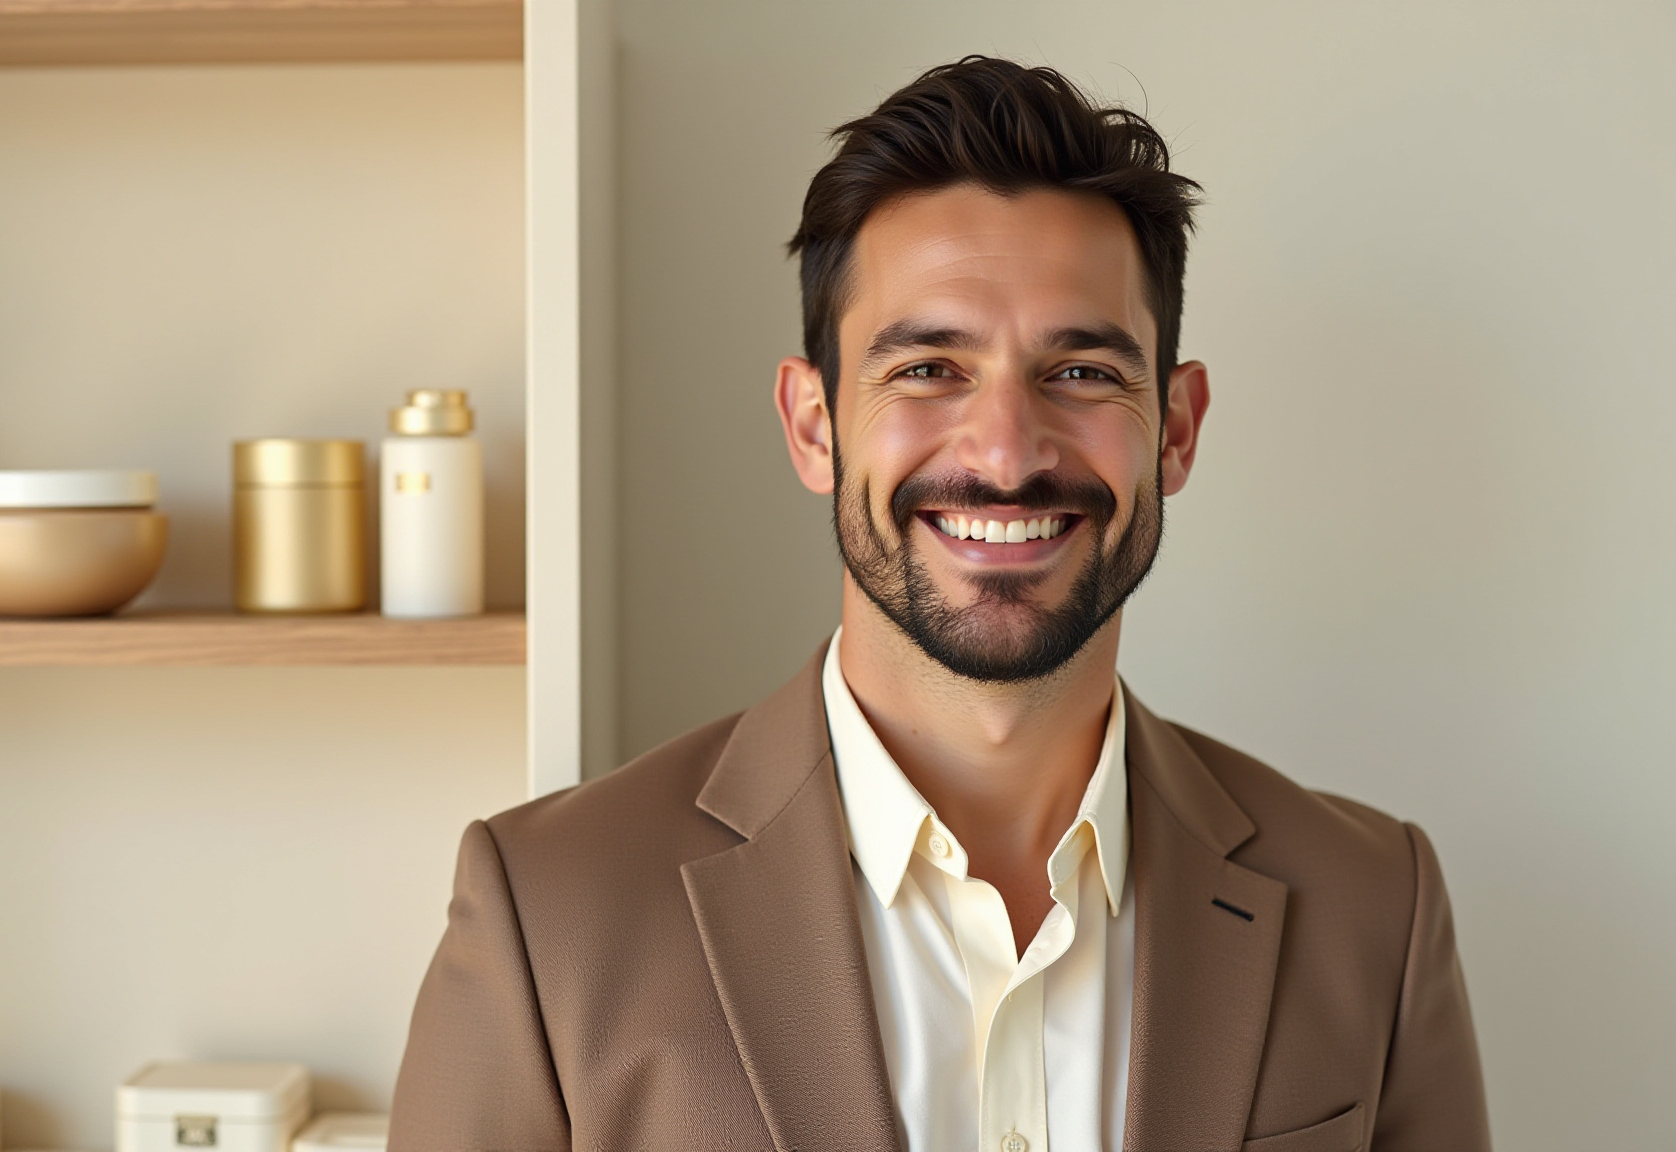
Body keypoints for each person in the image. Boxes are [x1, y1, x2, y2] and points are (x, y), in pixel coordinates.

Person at [389, 56, 1488, 1152]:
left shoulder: (1372, 910)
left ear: (1176, 428)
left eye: (1080, 373)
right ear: (814, 424)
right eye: (926, 370)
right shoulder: (549, 915)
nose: (1005, 454)